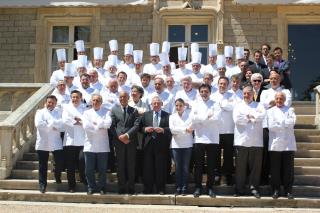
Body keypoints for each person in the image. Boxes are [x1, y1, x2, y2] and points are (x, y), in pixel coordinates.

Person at [233, 86, 266, 198]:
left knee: (255, 167)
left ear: (253, 94)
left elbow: (262, 116)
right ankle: (239, 189)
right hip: (241, 140)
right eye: (245, 93)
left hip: (256, 141)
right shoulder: (238, 106)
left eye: (249, 93)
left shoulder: (259, 105)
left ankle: (254, 188)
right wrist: (252, 118)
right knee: (240, 167)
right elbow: (237, 119)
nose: (246, 95)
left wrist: (250, 117)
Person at [191, 84, 221, 198]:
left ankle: (210, 188)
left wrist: (201, 119)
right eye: (202, 91)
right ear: (199, 92)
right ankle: (198, 187)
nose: (204, 93)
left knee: (211, 166)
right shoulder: (195, 104)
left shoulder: (215, 104)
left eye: (206, 91)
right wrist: (207, 117)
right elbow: (193, 118)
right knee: (198, 165)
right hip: (199, 138)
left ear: (210, 92)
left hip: (213, 138)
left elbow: (217, 118)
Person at [267, 91, 296, 200]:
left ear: (284, 100)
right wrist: (284, 123)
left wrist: (280, 123)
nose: (279, 100)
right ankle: (276, 190)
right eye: (277, 98)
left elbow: (292, 123)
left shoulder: (290, 110)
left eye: (281, 98)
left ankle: (288, 190)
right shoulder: (270, 111)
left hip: (289, 144)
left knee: (288, 169)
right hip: (275, 143)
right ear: (275, 99)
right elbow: (271, 126)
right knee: (275, 169)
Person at [140, 96, 171, 194]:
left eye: (158, 103)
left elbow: (172, 129)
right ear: (151, 105)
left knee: (160, 167)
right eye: (154, 103)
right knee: (148, 167)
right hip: (148, 144)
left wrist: (163, 130)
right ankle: (148, 188)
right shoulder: (145, 115)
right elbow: (140, 128)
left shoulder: (168, 115)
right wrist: (145, 129)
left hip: (161, 145)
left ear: (162, 104)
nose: (156, 105)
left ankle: (160, 188)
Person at [110, 91, 140, 194]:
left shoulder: (134, 110)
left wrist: (127, 135)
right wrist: (120, 136)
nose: (122, 99)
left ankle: (131, 187)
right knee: (120, 165)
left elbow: (136, 125)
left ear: (128, 98)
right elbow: (112, 125)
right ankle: (121, 187)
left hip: (130, 141)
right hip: (119, 142)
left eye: (124, 97)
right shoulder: (114, 110)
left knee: (131, 164)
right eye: (121, 97)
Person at [83, 94, 112, 195]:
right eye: (94, 100)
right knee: (89, 169)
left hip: (103, 145)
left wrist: (96, 124)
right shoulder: (86, 113)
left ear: (101, 102)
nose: (95, 102)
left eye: (98, 100)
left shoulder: (106, 112)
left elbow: (108, 124)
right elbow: (86, 126)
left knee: (102, 169)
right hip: (89, 145)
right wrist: (100, 126)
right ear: (91, 101)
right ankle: (91, 186)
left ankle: (102, 187)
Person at [34, 95, 64, 193]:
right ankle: (42, 185)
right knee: (43, 165)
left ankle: (57, 174)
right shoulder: (40, 112)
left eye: (52, 103)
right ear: (46, 102)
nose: (50, 104)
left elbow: (62, 125)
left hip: (56, 141)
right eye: (49, 102)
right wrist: (53, 124)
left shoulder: (59, 112)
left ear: (55, 103)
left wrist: (49, 123)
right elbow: (39, 124)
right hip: (43, 141)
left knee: (60, 162)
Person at [211, 77, 235, 185]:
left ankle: (227, 174)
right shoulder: (212, 96)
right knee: (215, 154)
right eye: (221, 83)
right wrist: (226, 107)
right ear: (218, 84)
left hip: (229, 129)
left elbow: (233, 107)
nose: (222, 85)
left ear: (228, 85)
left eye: (224, 84)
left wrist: (223, 105)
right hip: (216, 129)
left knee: (228, 155)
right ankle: (216, 174)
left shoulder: (232, 95)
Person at [62, 90, 87, 192]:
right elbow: (65, 120)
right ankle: (71, 185)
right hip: (70, 140)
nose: (75, 99)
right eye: (73, 97)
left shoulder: (85, 108)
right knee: (70, 164)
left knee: (82, 161)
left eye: (77, 97)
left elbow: (87, 120)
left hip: (82, 140)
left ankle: (83, 179)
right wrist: (76, 121)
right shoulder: (66, 107)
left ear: (81, 98)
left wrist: (79, 120)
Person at [169, 98, 194, 195]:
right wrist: (184, 129)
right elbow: (172, 130)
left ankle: (184, 187)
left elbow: (190, 129)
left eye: (180, 105)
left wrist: (179, 130)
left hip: (187, 144)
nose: (178, 107)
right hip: (176, 145)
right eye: (177, 105)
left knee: (185, 167)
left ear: (184, 106)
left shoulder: (190, 116)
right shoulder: (172, 116)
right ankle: (178, 187)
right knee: (178, 167)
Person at [128, 85, 150, 182]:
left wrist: (138, 113)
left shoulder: (145, 104)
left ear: (140, 94)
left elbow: (147, 116)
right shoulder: (128, 104)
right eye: (132, 91)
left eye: (135, 91)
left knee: (140, 155)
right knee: (131, 157)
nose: (133, 93)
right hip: (130, 133)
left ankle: (140, 176)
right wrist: (139, 113)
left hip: (141, 134)